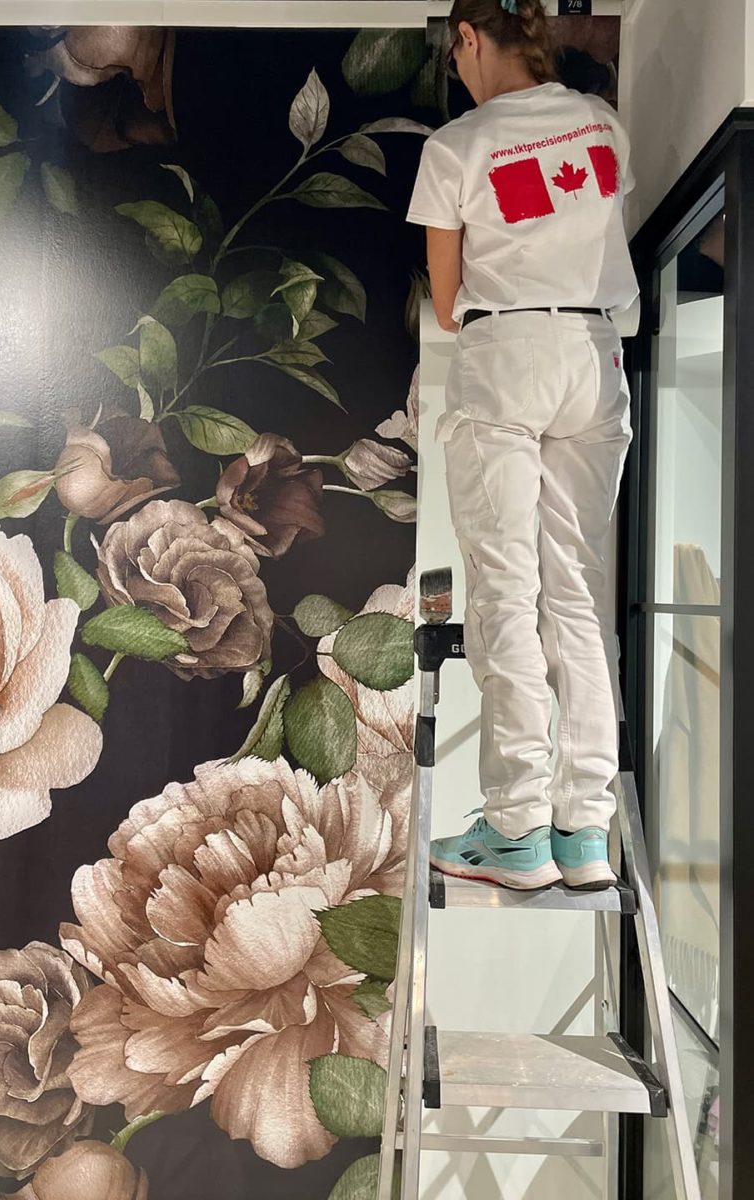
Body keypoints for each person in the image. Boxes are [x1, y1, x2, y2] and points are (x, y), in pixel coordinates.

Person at [405, 0, 639, 891]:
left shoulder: (458, 144)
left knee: (507, 591)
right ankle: (584, 833)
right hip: (595, 355)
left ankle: (517, 828)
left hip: (508, 355)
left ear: (468, 36)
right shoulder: (603, 123)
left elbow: (448, 300)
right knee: (576, 596)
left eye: (455, 52)